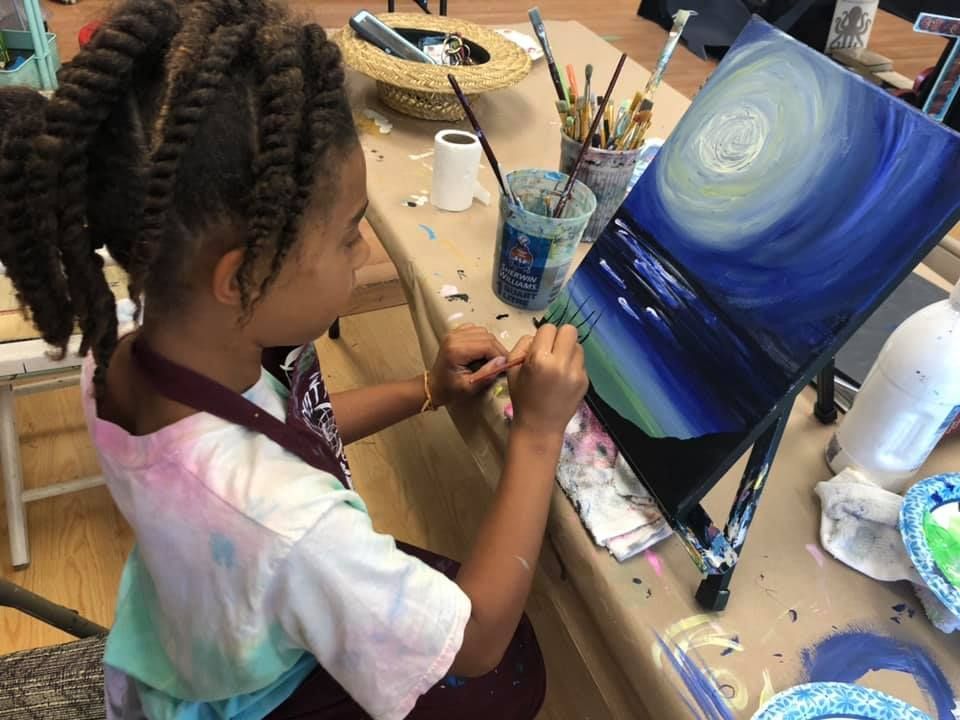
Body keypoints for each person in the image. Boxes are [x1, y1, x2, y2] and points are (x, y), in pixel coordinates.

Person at [0, 1, 589, 718]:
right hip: (253, 696)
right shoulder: (290, 528)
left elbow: (267, 430)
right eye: (347, 236)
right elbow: (474, 643)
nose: (366, 251)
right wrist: (535, 435)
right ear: (242, 277)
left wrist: (424, 390)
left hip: (188, 638)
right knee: (518, 671)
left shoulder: (121, 345)